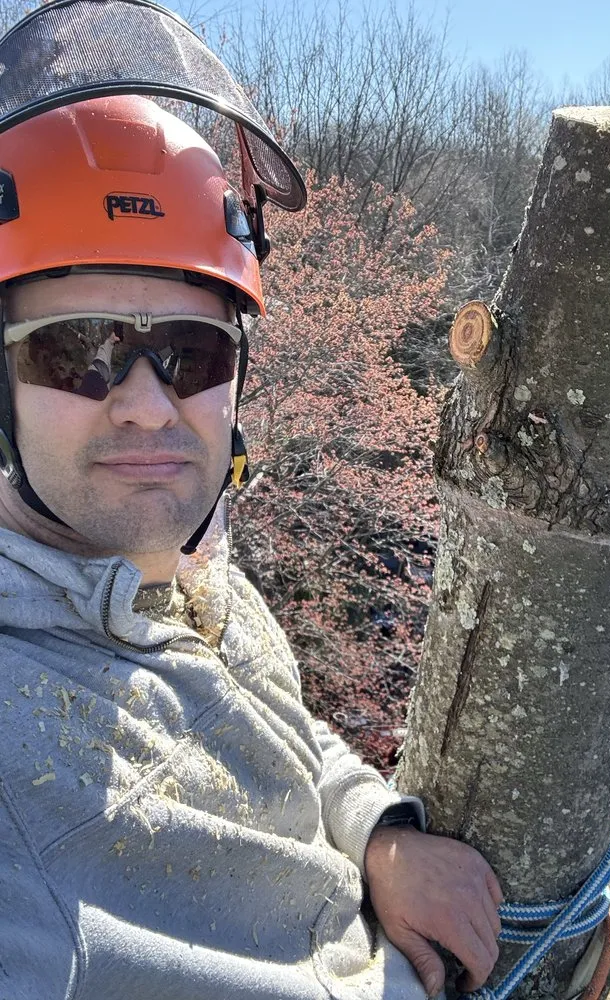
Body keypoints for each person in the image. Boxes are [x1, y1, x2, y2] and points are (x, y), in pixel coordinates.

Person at [0, 56, 503, 1000]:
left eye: (191, 354)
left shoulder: (190, 570)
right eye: (78, 350)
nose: (149, 406)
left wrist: (378, 832)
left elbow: (278, 728)